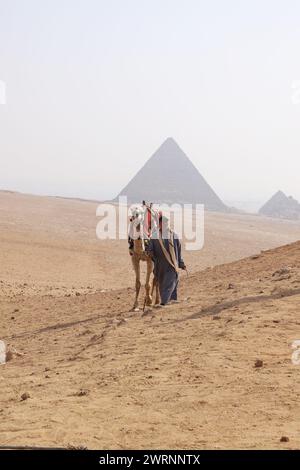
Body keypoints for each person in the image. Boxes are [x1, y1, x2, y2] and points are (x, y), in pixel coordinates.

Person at [147, 215, 186, 306]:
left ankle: (165, 302)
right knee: (162, 285)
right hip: (160, 266)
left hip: (172, 265)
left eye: (164, 223)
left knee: (171, 282)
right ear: (159, 225)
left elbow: (178, 251)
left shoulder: (174, 235)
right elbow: (150, 250)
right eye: (161, 223)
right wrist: (149, 253)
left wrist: (181, 263)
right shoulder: (154, 236)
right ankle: (168, 302)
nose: (163, 225)